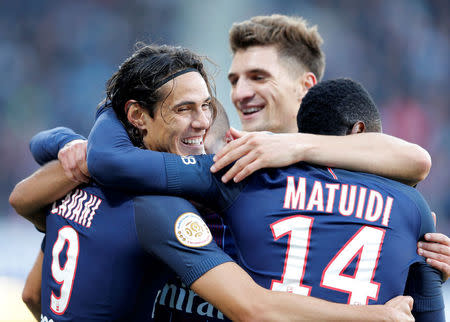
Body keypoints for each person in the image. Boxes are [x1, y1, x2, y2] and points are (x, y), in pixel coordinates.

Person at [10, 45, 413, 321]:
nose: (202, 121)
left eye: (206, 105)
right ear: (137, 116)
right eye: (183, 109)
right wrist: (375, 313)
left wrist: (67, 140)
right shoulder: (159, 207)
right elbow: (253, 308)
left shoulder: (75, 184)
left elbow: (31, 292)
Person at [77, 78, 445, 320]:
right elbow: (428, 313)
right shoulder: (412, 208)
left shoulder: (247, 173)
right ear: (361, 134)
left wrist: (116, 101)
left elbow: (110, 160)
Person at [223, 14, 450, 277]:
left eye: (258, 77)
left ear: (305, 85)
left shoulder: (350, 168)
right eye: (234, 81)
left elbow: (417, 160)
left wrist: (424, 268)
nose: (240, 93)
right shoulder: (227, 163)